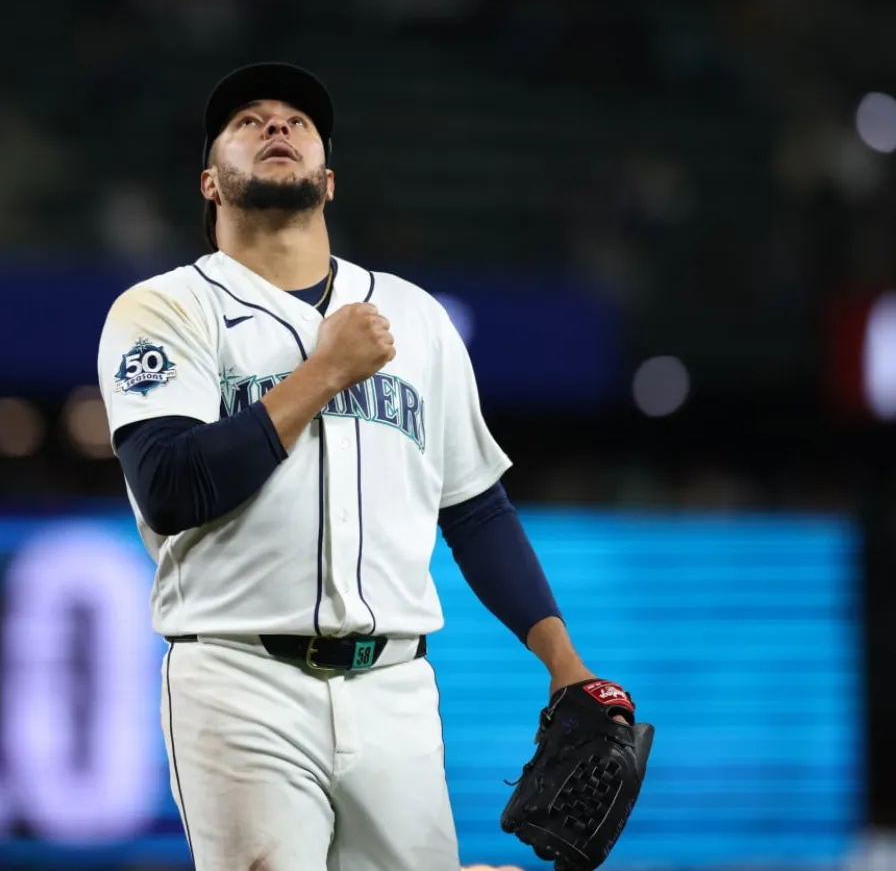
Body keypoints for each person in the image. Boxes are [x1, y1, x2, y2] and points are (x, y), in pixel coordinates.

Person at [97, 62, 624, 871]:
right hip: (240, 679)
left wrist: (565, 665)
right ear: (210, 181)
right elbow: (170, 487)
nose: (277, 127)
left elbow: (476, 510)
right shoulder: (167, 308)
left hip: (396, 686)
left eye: (297, 122)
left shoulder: (415, 318)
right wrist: (323, 374)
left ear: (329, 180)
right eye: (249, 120)